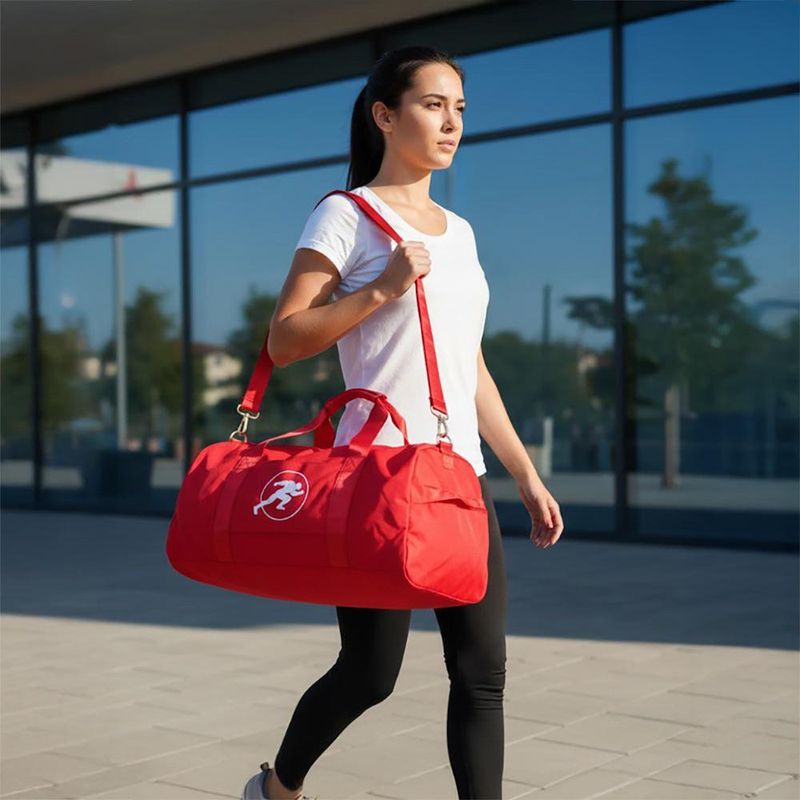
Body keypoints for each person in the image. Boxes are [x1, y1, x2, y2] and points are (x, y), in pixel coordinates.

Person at [241, 45, 564, 800]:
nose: (451, 123)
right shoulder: (346, 215)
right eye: (432, 105)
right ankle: (279, 787)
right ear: (385, 115)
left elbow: (469, 367)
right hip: (375, 481)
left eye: (460, 109)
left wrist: (524, 474)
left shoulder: (463, 231)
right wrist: (382, 289)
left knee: (482, 674)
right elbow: (284, 339)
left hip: (457, 480)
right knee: (369, 675)